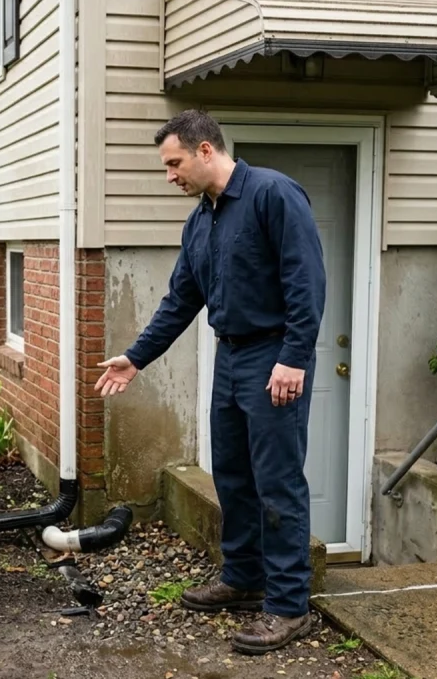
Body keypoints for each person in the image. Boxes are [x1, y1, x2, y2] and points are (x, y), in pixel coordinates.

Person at [94, 109, 326, 654]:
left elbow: (306, 280)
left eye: (173, 162)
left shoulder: (274, 195)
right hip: (231, 358)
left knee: (277, 483)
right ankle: (244, 577)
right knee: (232, 474)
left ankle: (290, 606)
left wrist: (294, 357)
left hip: (274, 356)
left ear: (205, 151)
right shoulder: (202, 219)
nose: (169, 174)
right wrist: (136, 358)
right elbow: (181, 300)